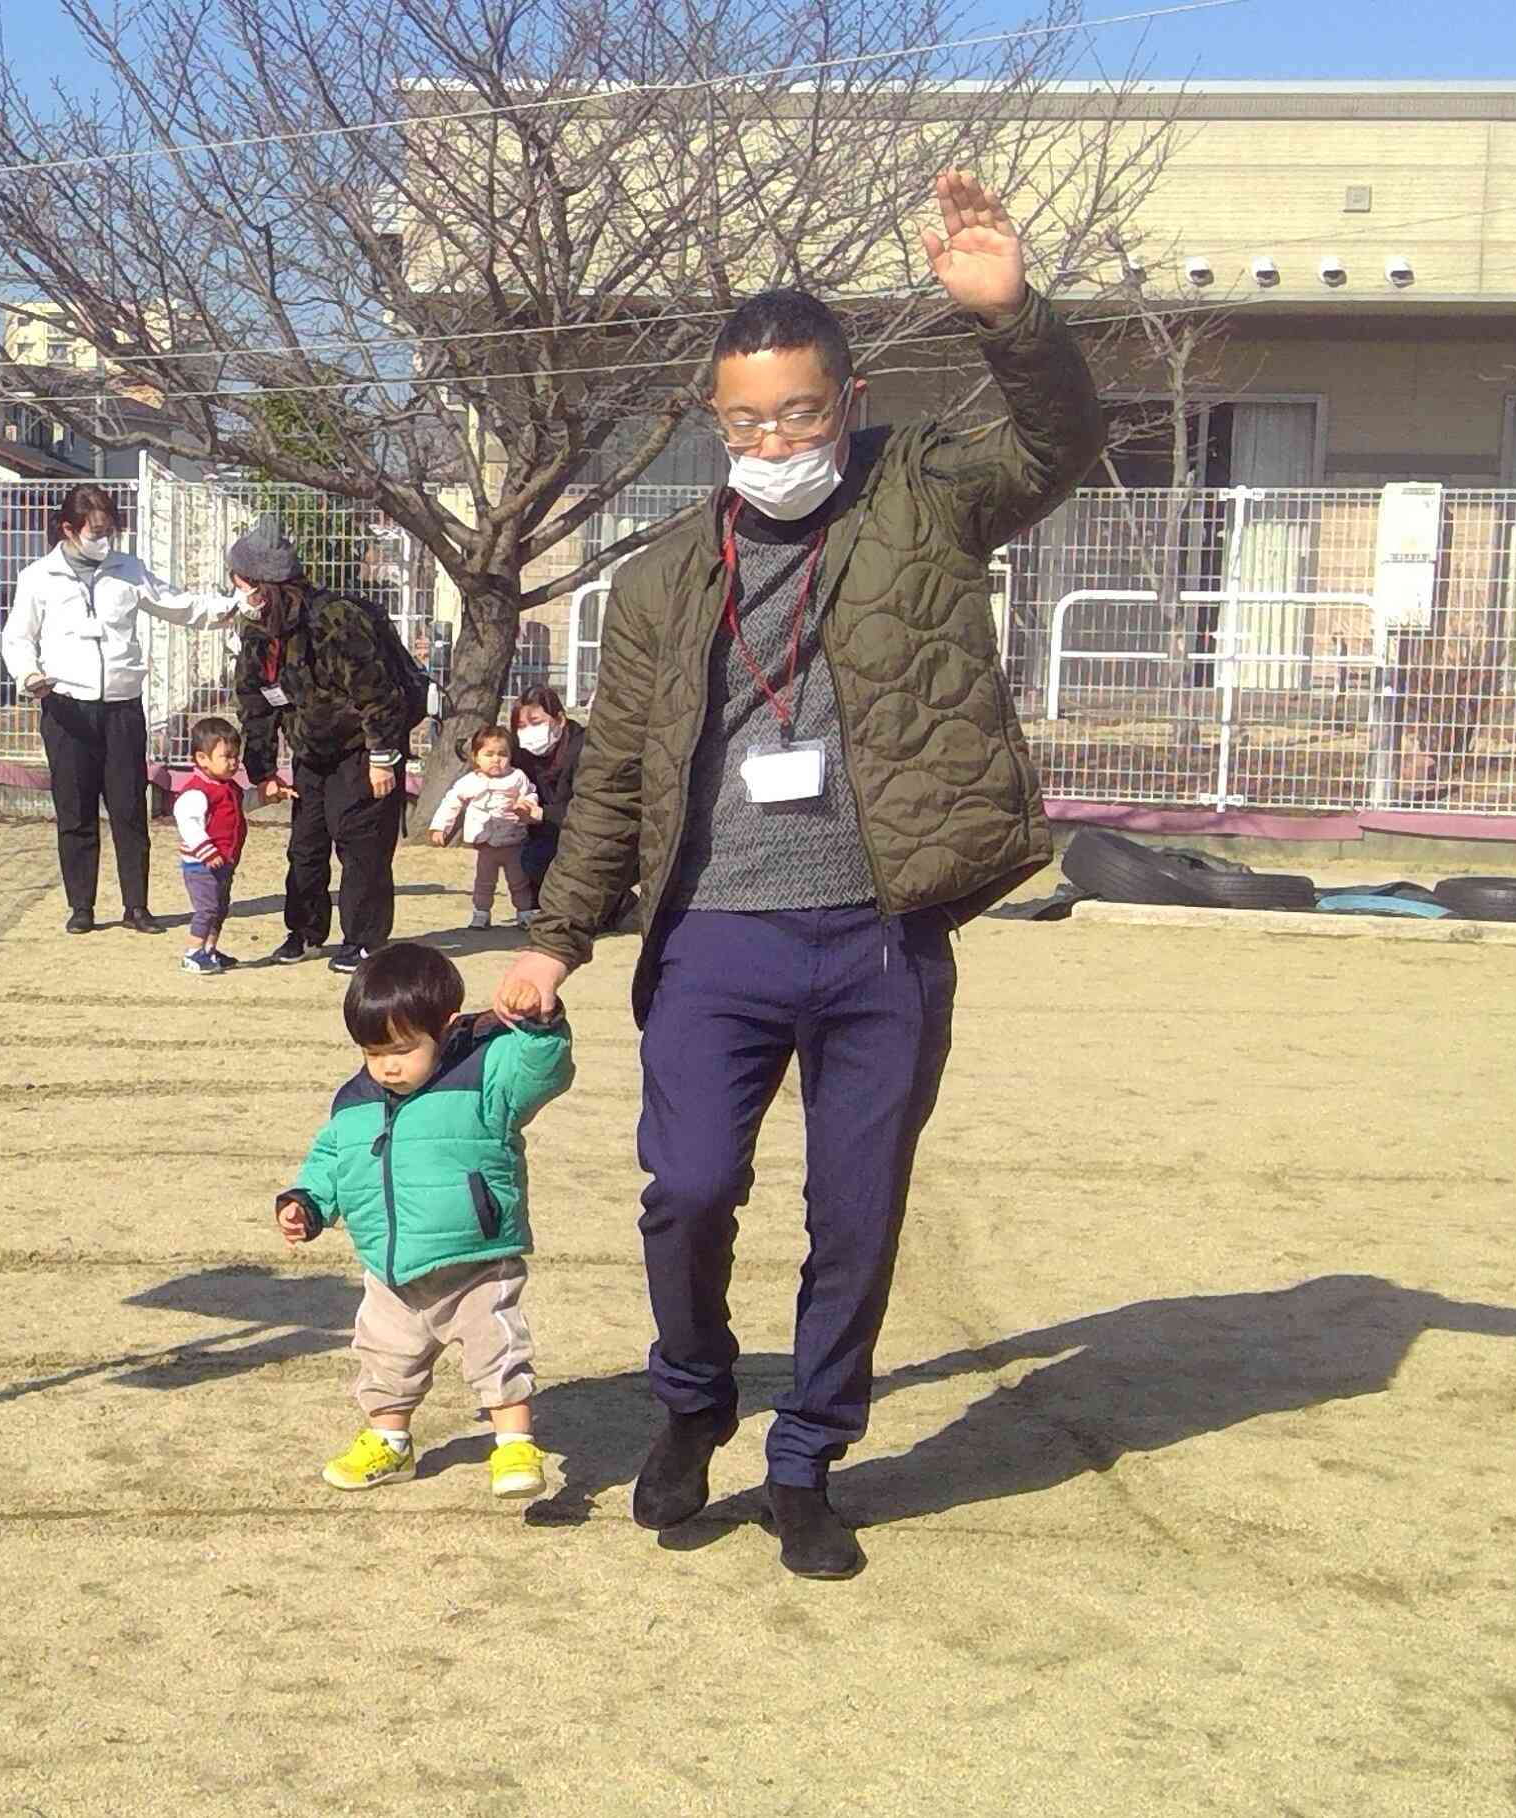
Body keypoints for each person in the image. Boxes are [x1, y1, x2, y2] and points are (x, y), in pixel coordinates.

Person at [492, 171, 1105, 1581]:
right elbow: (623, 774)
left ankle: (808, 1457)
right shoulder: (657, 582)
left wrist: (1012, 316)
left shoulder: (922, 499)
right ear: (719, 422)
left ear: (848, 395)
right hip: (716, 938)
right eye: (746, 419)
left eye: (802, 411)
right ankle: (695, 1401)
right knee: (690, 1186)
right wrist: (557, 935)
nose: (775, 440)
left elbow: (1060, 440)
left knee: (859, 1210)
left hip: (883, 933)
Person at [275, 943, 574, 1501]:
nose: (388, 1065)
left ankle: (512, 1444)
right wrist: (307, 1203)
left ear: (446, 1026)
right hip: (392, 1270)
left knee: (497, 1349)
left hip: (476, 1261)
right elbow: (331, 1162)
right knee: (384, 1359)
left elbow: (544, 1072)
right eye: (373, 1052)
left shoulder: (487, 1072)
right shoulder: (354, 1101)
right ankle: (390, 1442)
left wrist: (538, 1024)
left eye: (404, 1049)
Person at [1, 484, 244, 935]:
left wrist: (232, 607)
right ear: (68, 529)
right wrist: (28, 675)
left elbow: (178, 604)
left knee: (130, 809)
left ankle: (137, 906)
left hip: (121, 710)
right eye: (96, 531)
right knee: (75, 812)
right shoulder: (38, 577)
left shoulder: (128, 569)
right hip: (65, 708)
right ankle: (82, 907)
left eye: (110, 530)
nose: (105, 539)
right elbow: (17, 637)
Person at [229, 514, 427, 973]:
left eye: (240, 581)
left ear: (263, 582)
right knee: (306, 845)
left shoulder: (335, 620)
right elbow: (255, 702)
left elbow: (378, 692)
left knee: (360, 845)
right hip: (310, 753)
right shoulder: (257, 632)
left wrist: (383, 757)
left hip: (362, 748)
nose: (237, 590)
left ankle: (363, 941)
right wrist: (261, 771)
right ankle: (304, 931)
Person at [425, 726, 542, 929]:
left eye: (502, 754)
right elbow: (451, 802)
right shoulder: (470, 782)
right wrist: (439, 827)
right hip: (485, 843)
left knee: (519, 881)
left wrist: (526, 805)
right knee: (484, 882)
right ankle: (481, 913)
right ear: (476, 757)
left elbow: (530, 793)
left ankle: (524, 913)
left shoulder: (517, 777)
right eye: (489, 754)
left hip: (513, 840)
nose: (496, 759)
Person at [170, 718, 251, 975]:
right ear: (202, 758)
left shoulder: (230, 787)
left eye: (235, 756)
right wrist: (207, 851)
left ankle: (209, 950)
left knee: (220, 908)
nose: (233, 762)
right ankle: (192, 953)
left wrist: (266, 796)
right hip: (201, 865)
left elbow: (243, 804)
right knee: (207, 909)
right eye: (226, 756)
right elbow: (189, 824)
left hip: (225, 861)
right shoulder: (196, 792)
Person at [509, 685, 586, 905]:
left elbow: (589, 807)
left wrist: (543, 813)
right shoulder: (520, 754)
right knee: (530, 857)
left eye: (536, 722)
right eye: (521, 726)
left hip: (583, 834)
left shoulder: (584, 749)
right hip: (540, 836)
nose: (528, 732)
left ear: (559, 720)